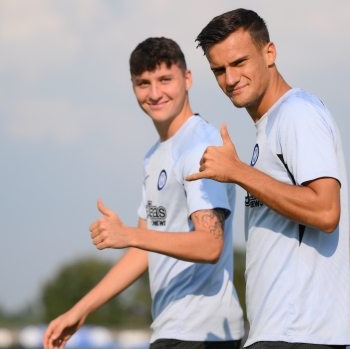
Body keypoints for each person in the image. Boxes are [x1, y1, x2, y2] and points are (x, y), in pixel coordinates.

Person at [42, 37, 245, 349]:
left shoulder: (200, 146)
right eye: (143, 83)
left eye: (165, 79)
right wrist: (80, 311)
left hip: (202, 335)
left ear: (187, 79)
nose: (154, 93)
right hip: (171, 331)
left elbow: (209, 244)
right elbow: (142, 250)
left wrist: (130, 235)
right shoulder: (154, 156)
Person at [187, 9, 350, 349]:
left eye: (239, 63)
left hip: (297, 334)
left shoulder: (297, 113)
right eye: (219, 70)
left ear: (269, 53)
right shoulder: (270, 126)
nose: (230, 79)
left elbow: (326, 211)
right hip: (277, 333)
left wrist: (237, 172)